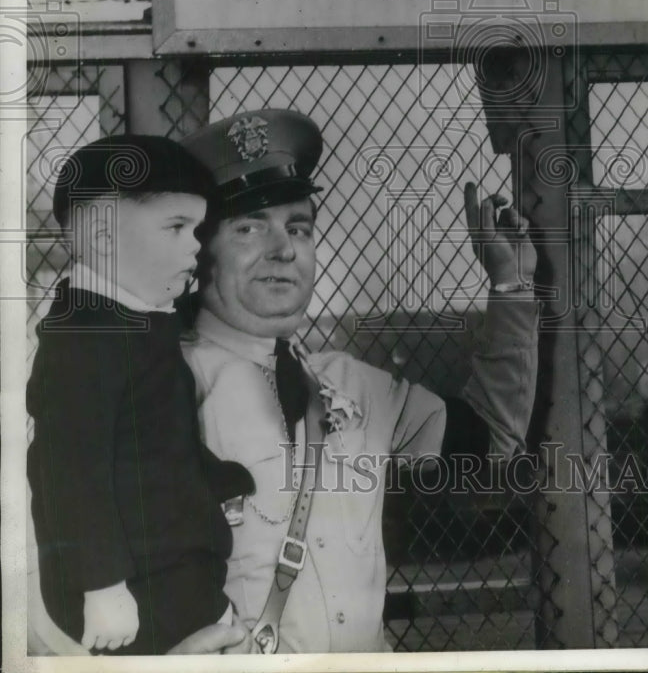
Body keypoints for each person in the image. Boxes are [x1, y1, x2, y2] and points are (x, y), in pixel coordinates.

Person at [178, 108, 540, 653]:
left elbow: (492, 442)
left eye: (297, 227)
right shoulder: (159, 387)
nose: (284, 249)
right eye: (250, 227)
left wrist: (511, 286)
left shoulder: (352, 386)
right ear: (198, 250)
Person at [26, 135, 254, 655]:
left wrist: (218, 477)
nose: (195, 246)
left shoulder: (132, 324)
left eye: (196, 230)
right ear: (101, 232)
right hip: (132, 594)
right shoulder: (85, 338)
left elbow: (156, 435)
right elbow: (68, 469)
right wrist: (101, 585)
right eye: (175, 227)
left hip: (168, 576)